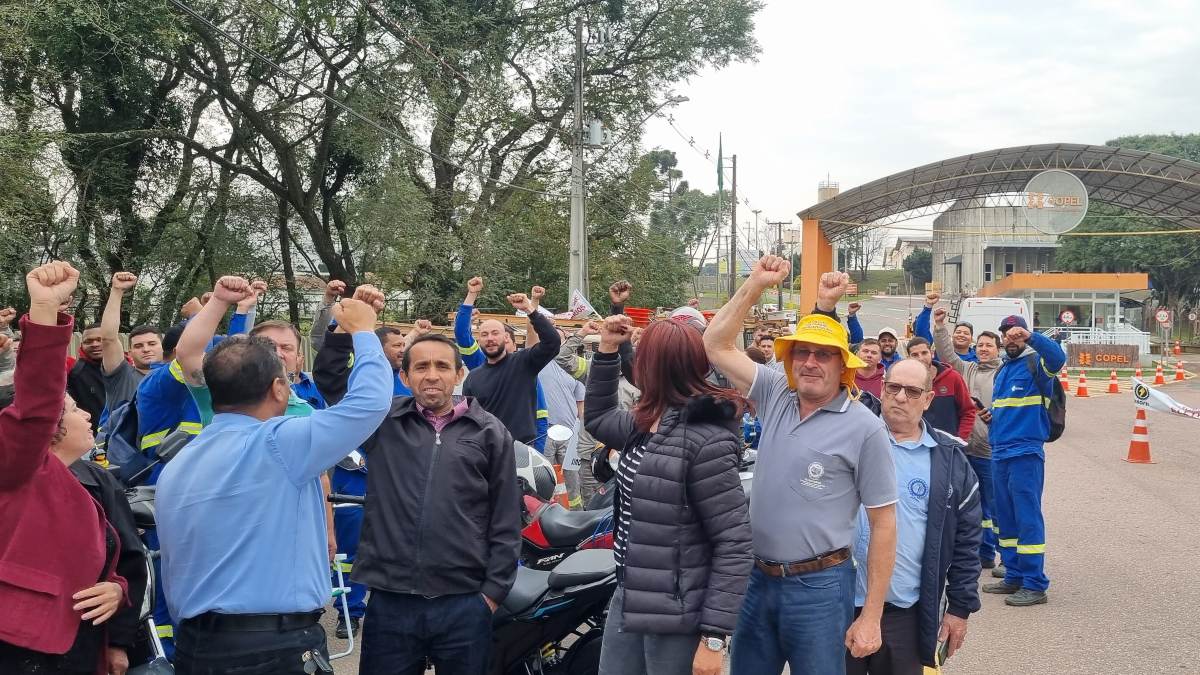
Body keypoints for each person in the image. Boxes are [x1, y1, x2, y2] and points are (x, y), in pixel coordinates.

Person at [155, 286, 391, 675]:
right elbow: (368, 403)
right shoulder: (281, 442)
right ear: (279, 388)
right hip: (271, 650)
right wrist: (364, 332)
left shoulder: (182, 461)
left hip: (199, 647)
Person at [704, 256, 898, 675]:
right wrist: (755, 283)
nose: (810, 361)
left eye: (824, 355)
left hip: (821, 588)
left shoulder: (866, 429)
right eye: (802, 352)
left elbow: (883, 523)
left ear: (843, 364)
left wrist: (872, 616)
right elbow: (715, 343)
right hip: (756, 580)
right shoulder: (775, 392)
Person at [586, 315, 752, 675]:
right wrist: (606, 350)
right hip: (630, 591)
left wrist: (714, 638)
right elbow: (597, 419)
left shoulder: (707, 439)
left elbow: (734, 543)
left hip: (678, 612)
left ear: (654, 365)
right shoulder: (646, 420)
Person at [350, 333, 521, 675]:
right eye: (421, 366)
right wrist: (353, 330)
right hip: (391, 599)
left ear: (459, 375)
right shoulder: (382, 424)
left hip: (464, 602)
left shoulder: (489, 432)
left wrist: (492, 594)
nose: (432, 375)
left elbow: (506, 516)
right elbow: (333, 385)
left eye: (442, 366)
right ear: (404, 376)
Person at [0, 262, 129, 674]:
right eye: (71, 406)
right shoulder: (16, 467)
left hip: (77, 646)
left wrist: (116, 589)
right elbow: (37, 400)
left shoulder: (81, 481)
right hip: (21, 648)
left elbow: (104, 560)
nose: (86, 413)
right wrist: (44, 311)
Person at [847, 359, 982, 675]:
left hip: (905, 613)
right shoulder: (851, 439)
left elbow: (967, 542)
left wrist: (959, 609)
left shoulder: (950, 461)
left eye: (912, 390)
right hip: (841, 604)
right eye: (893, 387)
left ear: (928, 399)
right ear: (882, 389)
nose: (901, 397)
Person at [981, 315, 1066, 607]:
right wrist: (992, 420)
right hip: (999, 452)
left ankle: (1035, 584)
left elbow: (1058, 357)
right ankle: (1014, 575)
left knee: (1027, 518)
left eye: (1015, 335)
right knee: (1005, 518)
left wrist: (1031, 336)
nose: (1010, 339)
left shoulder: (1036, 365)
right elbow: (1007, 410)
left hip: (1025, 454)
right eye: (1006, 334)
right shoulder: (1004, 369)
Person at [934, 308, 1003, 571]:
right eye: (981, 345)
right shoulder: (968, 368)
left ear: (998, 349)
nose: (984, 349)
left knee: (992, 506)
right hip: (965, 450)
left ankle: (997, 554)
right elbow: (946, 353)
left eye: (989, 345)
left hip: (989, 450)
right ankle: (978, 553)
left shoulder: (1003, 373)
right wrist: (940, 326)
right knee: (969, 507)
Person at [455, 277, 560, 445]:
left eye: (495, 333)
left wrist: (530, 309)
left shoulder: (525, 363)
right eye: (484, 334)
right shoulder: (473, 377)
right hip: (486, 453)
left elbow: (552, 342)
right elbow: (468, 420)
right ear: (478, 340)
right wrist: (471, 295)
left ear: (506, 338)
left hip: (521, 453)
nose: (490, 338)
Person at [99, 272, 163, 413]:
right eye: (138, 346)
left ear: (163, 347)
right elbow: (108, 339)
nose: (146, 349)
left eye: (152, 344)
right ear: (130, 352)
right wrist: (117, 290)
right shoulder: (121, 377)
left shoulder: (177, 375)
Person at [539, 328, 587, 507]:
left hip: (569, 434)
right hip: (545, 434)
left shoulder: (573, 368)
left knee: (573, 480)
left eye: (561, 339)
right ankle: (541, 517)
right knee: (544, 479)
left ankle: (576, 515)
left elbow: (580, 404)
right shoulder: (538, 363)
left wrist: (581, 434)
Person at [904, 337, 975, 440]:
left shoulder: (952, 377)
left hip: (948, 447)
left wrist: (959, 441)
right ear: (908, 358)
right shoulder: (905, 382)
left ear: (932, 353)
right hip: (916, 445)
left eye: (924, 353)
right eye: (915, 355)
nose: (920, 358)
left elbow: (968, 411)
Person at [912, 292, 976, 363]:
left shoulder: (977, 358)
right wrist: (928, 306)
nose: (961, 335)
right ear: (952, 336)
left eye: (966, 333)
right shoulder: (941, 352)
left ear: (971, 339)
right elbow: (921, 332)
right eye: (958, 332)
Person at [67, 324, 106, 433]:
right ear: (82, 344)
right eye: (88, 341)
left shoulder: (128, 368)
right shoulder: (75, 374)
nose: (95, 344)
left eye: (100, 339)